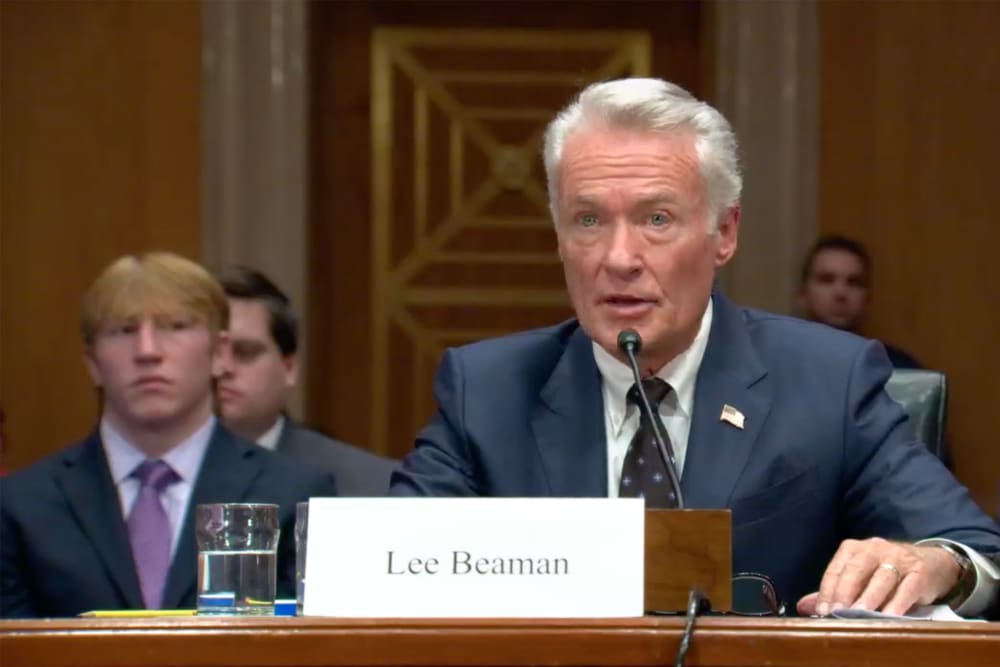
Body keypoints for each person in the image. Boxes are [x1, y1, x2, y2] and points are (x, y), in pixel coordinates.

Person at [389, 78, 1000, 618]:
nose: (619, 258)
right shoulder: (487, 389)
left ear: (724, 232)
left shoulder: (829, 381)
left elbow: (978, 554)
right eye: (588, 220)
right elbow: (385, 567)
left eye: (656, 219)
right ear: (559, 236)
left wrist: (934, 563)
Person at [0, 253, 337, 618]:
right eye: (124, 331)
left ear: (220, 354)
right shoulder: (21, 506)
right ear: (93, 363)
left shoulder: (293, 495)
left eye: (174, 327)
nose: (148, 352)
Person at [217, 266, 396, 496]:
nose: (224, 368)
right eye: (212, 352)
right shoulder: (160, 475)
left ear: (289, 368)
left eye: (246, 352)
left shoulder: (370, 483)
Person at [798, 235, 921, 368]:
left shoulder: (902, 371)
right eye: (827, 280)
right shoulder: (777, 364)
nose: (841, 292)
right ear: (803, 293)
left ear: (867, 298)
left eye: (854, 282)